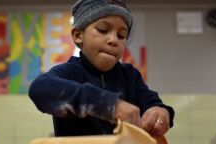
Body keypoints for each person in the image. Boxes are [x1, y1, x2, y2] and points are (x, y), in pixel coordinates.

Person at [29, 0, 175, 138]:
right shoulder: (68, 73)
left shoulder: (130, 76)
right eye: (103, 30)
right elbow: (39, 89)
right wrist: (109, 105)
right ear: (78, 35)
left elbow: (151, 103)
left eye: (121, 35)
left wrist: (160, 112)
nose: (113, 40)